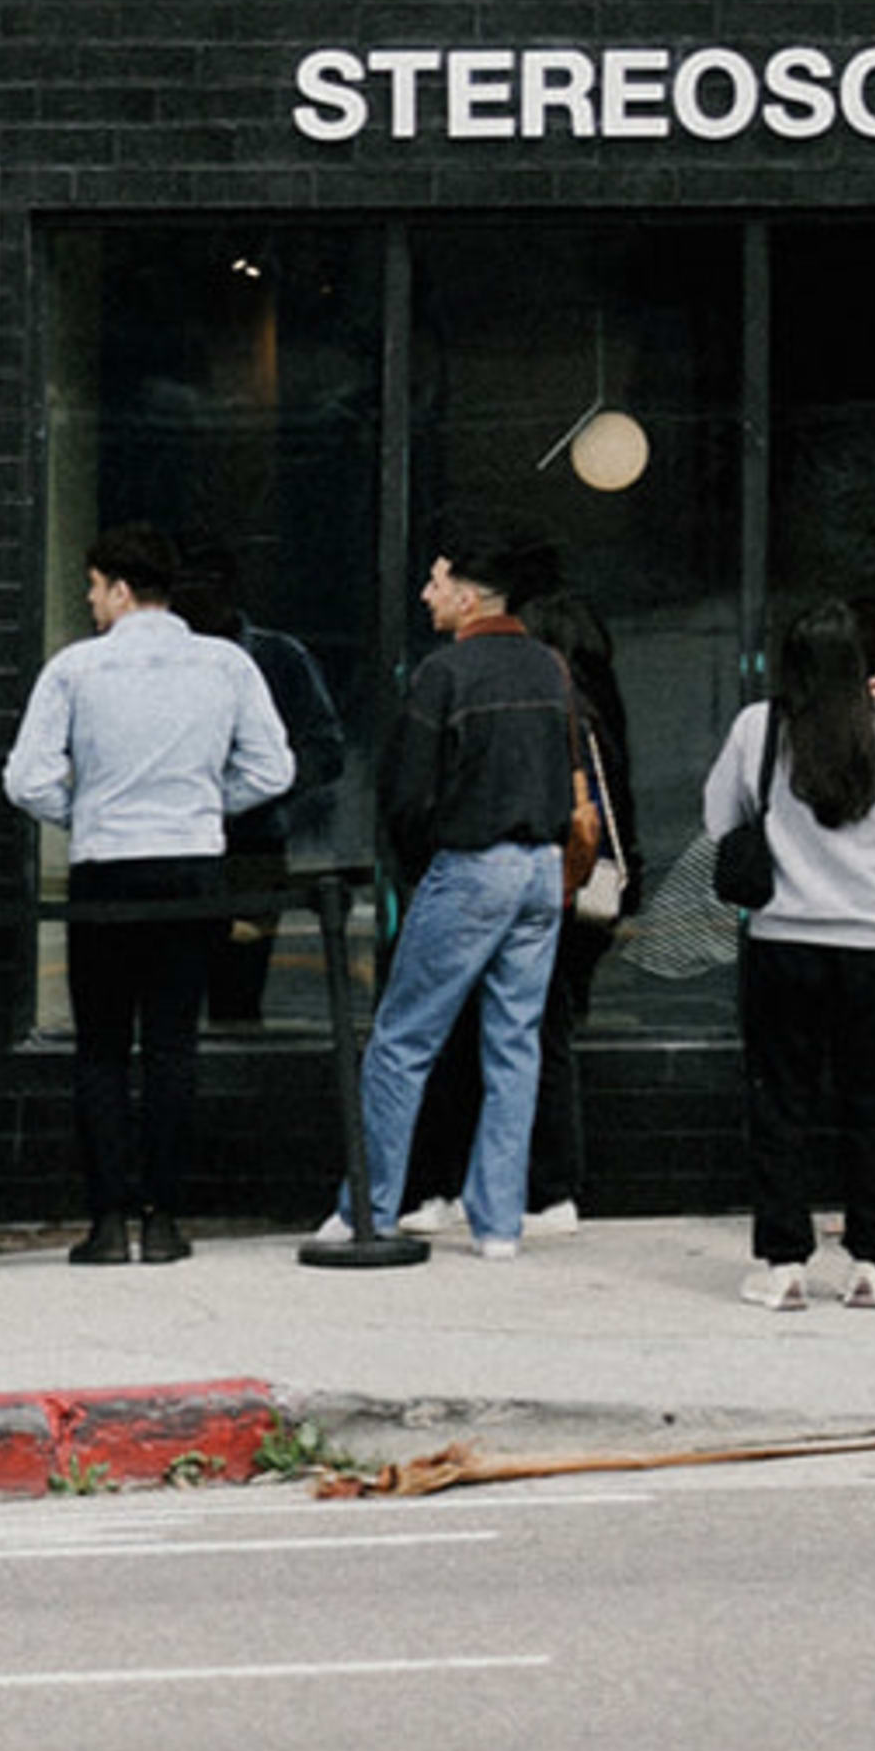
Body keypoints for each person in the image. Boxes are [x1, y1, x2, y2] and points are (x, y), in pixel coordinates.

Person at [4, 521, 295, 1267]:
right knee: (173, 1046)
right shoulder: (224, 664)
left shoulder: (75, 669)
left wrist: (90, 809)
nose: (91, 605)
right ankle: (164, 1220)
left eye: (95, 591)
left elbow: (25, 779)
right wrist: (203, 800)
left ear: (121, 589)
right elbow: (273, 769)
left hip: (108, 866)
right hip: (193, 866)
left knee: (101, 1049)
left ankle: (106, 1224)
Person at [357, 514, 579, 1259]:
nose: (426, 594)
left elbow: (408, 795)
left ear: (470, 598)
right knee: (514, 1046)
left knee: (400, 1040)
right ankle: (498, 1225)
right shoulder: (549, 667)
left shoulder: (443, 674)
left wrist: (422, 868)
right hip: (543, 869)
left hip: (473, 864)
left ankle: (373, 1206)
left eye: (437, 581)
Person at [708, 600, 875, 1310]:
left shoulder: (761, 726)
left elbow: (720, 816)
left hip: (785, 940)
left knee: (781, 1103)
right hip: (873, 942)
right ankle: (870, 1260)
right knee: (874, 1102)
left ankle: (784, 1264)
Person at [394, 580, 634, 1238]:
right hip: (564, 888)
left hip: (533, 881)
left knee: (479, 1037)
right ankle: (522, 1194)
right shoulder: (583, 706)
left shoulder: (548, 705)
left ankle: (504, 1187)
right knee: (527, 1038)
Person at [178, 538, 349, 1029]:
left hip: (253, 844)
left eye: (206, 584)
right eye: (186, 584)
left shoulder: (279, 658)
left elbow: (326, 749)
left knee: (239, 988)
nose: (196, 596)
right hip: (179, 845)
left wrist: (263, 787)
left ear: (230, 589)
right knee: (173, 990)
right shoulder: (164, 662)